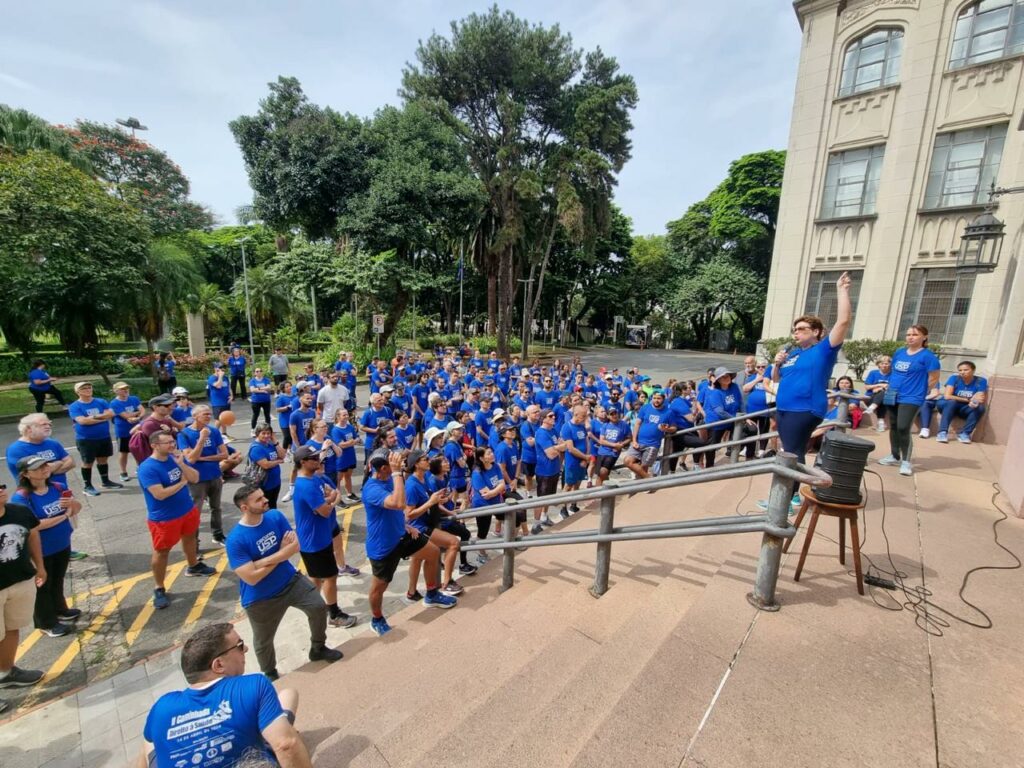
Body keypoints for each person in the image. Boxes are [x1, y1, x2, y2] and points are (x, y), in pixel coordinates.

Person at [138, 622, 313, 768]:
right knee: (289, 694)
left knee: (148, 740)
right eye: (239, 646)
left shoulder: (162, 706)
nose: (245, 648)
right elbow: (286, 745)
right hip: (252, 759)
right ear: (218, 665)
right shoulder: (253, 685)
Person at [227, 486, 343, 680]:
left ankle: (318, 648)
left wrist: (261, 562)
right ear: (244, 508)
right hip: (260, 597)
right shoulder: (236, 540)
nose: (265, 500)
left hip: (290, 581)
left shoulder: (275, 516)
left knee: (318, 606)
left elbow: (295, 546)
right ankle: (270, 672)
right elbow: (251, 577)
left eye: (263, 495)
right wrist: (281, 553)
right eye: (258, 499)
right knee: (264, 640)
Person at [768, 272, 852, 504]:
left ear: (815, 332)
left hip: (805, 408)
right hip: (784, 407)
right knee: (788, 450)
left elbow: (843, 322)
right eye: (795, 329)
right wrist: (777, 362)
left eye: (802, 328)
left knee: (791, 453)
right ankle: (789, 495)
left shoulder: (824, 349)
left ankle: (787, 498)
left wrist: (842, 290)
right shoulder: (793, 354)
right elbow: (776, 378)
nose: (796, 332)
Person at [363, 452, 456, 637]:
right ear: (383, 468)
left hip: (402, 534)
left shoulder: (390, 479)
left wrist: (405, 525)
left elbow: (399, 510)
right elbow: (398, 503)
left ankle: (431, 594)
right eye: (395, 463)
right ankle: (377, 619)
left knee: (433, 552)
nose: (402, 464)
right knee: (379, 587)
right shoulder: (372, 488)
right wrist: (398, 473)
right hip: (383, 546)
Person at [138, 432, 216, 609]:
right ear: (155, 445)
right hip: (164, 518)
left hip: (187, 511)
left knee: (189, 538)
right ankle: (159, 587)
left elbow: (195, 477)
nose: (172, 445)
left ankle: (193, 565)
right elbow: (160, 494)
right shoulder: (148, 468)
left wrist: (182, 465)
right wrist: (182, 482)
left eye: (173, 441)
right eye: (167, 443)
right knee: (162, 551)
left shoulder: (175, 459)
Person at [11, 456, 81, 638]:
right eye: (37, 468)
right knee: (42, 586)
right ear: (25, 474)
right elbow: (36, 524)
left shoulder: (58, 488)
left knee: (57, 580)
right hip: (40, 550)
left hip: (62, 543)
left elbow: (77, 508)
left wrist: (71, 505)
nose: (44, 469)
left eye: (45, 465)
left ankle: (60, 609)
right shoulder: (22, 498)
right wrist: (64, 516)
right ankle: (46, 622)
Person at [290, 446, 357, 629]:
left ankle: (313, 606)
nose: (317, 460)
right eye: (313, 458)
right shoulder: (306, 485)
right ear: (303, 462)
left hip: (319, 537)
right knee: (330, 577)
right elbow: (326, 510)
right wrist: (334, 499)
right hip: (315, 542)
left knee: (316, 577)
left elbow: (325, 498)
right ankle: (334, 614)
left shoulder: (314, 480)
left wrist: (330, 498)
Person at [0, 483, 46, 712]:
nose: (0, 490)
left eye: (0, 486)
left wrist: (40, 566)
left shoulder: (19, 512)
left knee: (12, 628)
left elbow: (33, 534)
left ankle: (7, 672)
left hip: (20, 581)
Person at [878, 325, 941, 476]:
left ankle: (906, 461)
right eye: (908, 334)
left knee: (903, 427)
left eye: (915, 334)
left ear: (924, 337)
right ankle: (894, 455)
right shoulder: (899, 352)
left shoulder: (928, 357)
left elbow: (934, 377)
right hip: (893, 393)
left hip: (912, 397)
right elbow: (894, 372)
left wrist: (922, 391)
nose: (910, 337)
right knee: (893, 425)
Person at [403, 450, 464, 599]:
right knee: (453, 543)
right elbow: (408, 515)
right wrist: (431, 502)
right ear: (416, 464)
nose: (429, 461)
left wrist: (437, 501)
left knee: (417, 558)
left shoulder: (424, 479)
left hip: (428, 523)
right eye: (425, 459)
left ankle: (412, 592)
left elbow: (429, 501)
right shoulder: (411, 485)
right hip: (420, 527)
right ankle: (446, 582)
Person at [178, 405, 229, 547]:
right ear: (195, 416)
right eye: (205, 414)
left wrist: (204, 458)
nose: (208, 416)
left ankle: (218, 534)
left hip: (214, 475)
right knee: (195, 511)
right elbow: (191, 459)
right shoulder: (184, 435)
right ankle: (194, 541)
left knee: (216, 507)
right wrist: (201, 439)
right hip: (197, 479)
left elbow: (224, 454)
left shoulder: (214, 431)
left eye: (209, 414)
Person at [68, 381, 122, 497]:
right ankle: (87, 486)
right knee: (88, 462)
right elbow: (82, 421)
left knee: (103, 459)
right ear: (78, 392)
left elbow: (111, 413)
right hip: (86, 439)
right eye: (84, 388)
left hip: (103, 437)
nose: (88, 390)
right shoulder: (75, 406)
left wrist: (92, 418)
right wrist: (101, 417)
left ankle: (105, 481)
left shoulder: (100, 401)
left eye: (89, 387)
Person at [6, 413, 75, 489]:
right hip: (34, 494)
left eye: (49, 424)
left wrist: (46, 471)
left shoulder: (52, 443)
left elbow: (71, 462)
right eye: (43, 424)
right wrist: (59, 463)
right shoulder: (16, 449)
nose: (48, 426)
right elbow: (32, 474)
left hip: (60, 490)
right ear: (29, 428)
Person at [930, 361, 988, 444]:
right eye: (960, 370)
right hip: (946, 405)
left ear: (973, 370)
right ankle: (942, 432)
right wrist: (968, 400)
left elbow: (980, 398)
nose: (962, 372)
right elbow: (947, 396)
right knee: (952, 402)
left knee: (980, 408)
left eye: (965, 370)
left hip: (963, 408)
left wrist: (974, 402)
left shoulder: (981, 381)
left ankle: (965, 433)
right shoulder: (954, 378)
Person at [623, 389, 674, 480]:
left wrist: (667, 429)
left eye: (659, 398)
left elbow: (674, 428)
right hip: (639, 442)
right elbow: (637, 424)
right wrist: (634, 440)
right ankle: (649, 479)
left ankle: (643, 485)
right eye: (654, 398)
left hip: (652, 445)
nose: (656, 400)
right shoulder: (645, 407)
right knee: (627, 461)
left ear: (663, 399)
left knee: (643, 467)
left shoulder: (669, 412)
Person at [530, 409, 564, 535]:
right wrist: (558, 448)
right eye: (550, 416)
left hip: (554, 470)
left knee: (549, 497)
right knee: (540, 499)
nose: (554, 417)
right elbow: (551, 454)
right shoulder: (541, 433)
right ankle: (535, 524)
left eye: (554, 415)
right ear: (543, 418)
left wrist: (557, 448)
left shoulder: (553, 430)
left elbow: (563, 445)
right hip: (544, 471)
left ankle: (544, 517)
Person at [558, 405, 590, 518]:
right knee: (568, 485)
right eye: (583, 416)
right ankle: (563, 508)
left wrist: (587, 457)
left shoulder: (581, 426)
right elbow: (570, 448)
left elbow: (586, 441)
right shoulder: (567, 427)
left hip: (582, 461)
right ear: (576, 415)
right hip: (572, 462)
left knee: (578, 482)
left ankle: (573, 504)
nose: (585, 418)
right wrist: (585, 457)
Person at [110, 381, 146, 482]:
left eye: (126, 388)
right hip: (123, 431)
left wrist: (137, 416)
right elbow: (126, 416)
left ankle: (140, 467)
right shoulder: (114, 403)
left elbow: (143, 411)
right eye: (122, 389)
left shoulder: (134, 399)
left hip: (137, 429)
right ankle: (123, 472)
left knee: (139, 449)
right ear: (116, 391)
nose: (126, 390)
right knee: (123, 452)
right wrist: (137, 414)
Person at [247, 425, 286, 509]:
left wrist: (275, 442)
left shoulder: (271, 444)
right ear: (257, 434)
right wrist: (278, 461)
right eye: (263, 433)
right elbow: (265, 465)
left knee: (273, 505)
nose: (266, 436)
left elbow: (283, 455)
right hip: (264, 485)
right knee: (265, 508)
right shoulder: (256, 448)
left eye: (268, 433)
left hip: (275, 482)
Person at [863, 356, 892, 432]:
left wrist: (881, 389)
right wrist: (879, 385)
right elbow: (867, 387)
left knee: (884, 394)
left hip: (887, 397)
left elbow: (894, 387)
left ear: (890, 365)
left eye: (887, 363)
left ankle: (872, 408)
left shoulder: (893, 374)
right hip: (871, 397)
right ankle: (881, 422)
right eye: (882, 363)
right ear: (878, 365)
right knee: (883, 397)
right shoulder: (873, 373)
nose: (884, 365)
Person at [207, 362, 234, 439]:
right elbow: (218, 386)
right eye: (220, 368)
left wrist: (231, 396)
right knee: (218, 420)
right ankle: (213, 435)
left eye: (223, 368)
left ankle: (224, 434)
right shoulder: (212, 378)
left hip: (226, 401)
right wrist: (220, 376)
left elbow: (229, 387)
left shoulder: (225, 377)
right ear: (215, 369)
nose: (222, 369)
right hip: (217, 403)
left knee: (224, 418)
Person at [248, 366, 274, 437]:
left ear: (262, 372)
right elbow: (252, 390)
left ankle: (268, 430)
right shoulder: (252, 381)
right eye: (257, 371)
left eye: (260, 371)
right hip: (256, 401)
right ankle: (253, 430)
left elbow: (269, 387)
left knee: (267, 415)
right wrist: (263, 390)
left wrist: (258, 389)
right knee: (255, 415)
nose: (259, 372)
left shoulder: (266, 379)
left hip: (266, 400)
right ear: (254, 373)